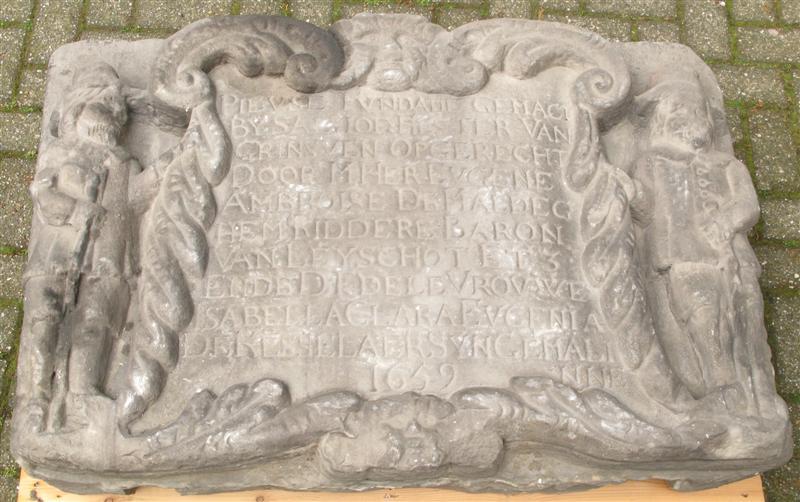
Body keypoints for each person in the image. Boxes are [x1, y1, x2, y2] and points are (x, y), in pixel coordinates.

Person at [18, 63, 162, 431]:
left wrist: (164, 170)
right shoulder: (63, 152)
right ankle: (37, 398)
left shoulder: (124, 161)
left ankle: (81, 392)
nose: (113, 118)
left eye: (118, 112)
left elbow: (135, 198)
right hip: (59, 254)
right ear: (77, 110)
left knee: (95, 323)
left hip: (109, 256)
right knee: (45, 321)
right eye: (103, 107)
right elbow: (44, 194)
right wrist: (75, 210)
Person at [629, 79, 759, 400]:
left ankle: (739, 383)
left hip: (722, 254)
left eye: (696, 110)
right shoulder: (650, 163)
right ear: (663, 118)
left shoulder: (726, 164)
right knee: (700, 309)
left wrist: (726, 221)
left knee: (734, 315)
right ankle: (719, 381)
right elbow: (644, 209)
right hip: (678, 254)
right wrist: (629, 192)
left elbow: (747, 205)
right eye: (679, 109)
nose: (689, 116)